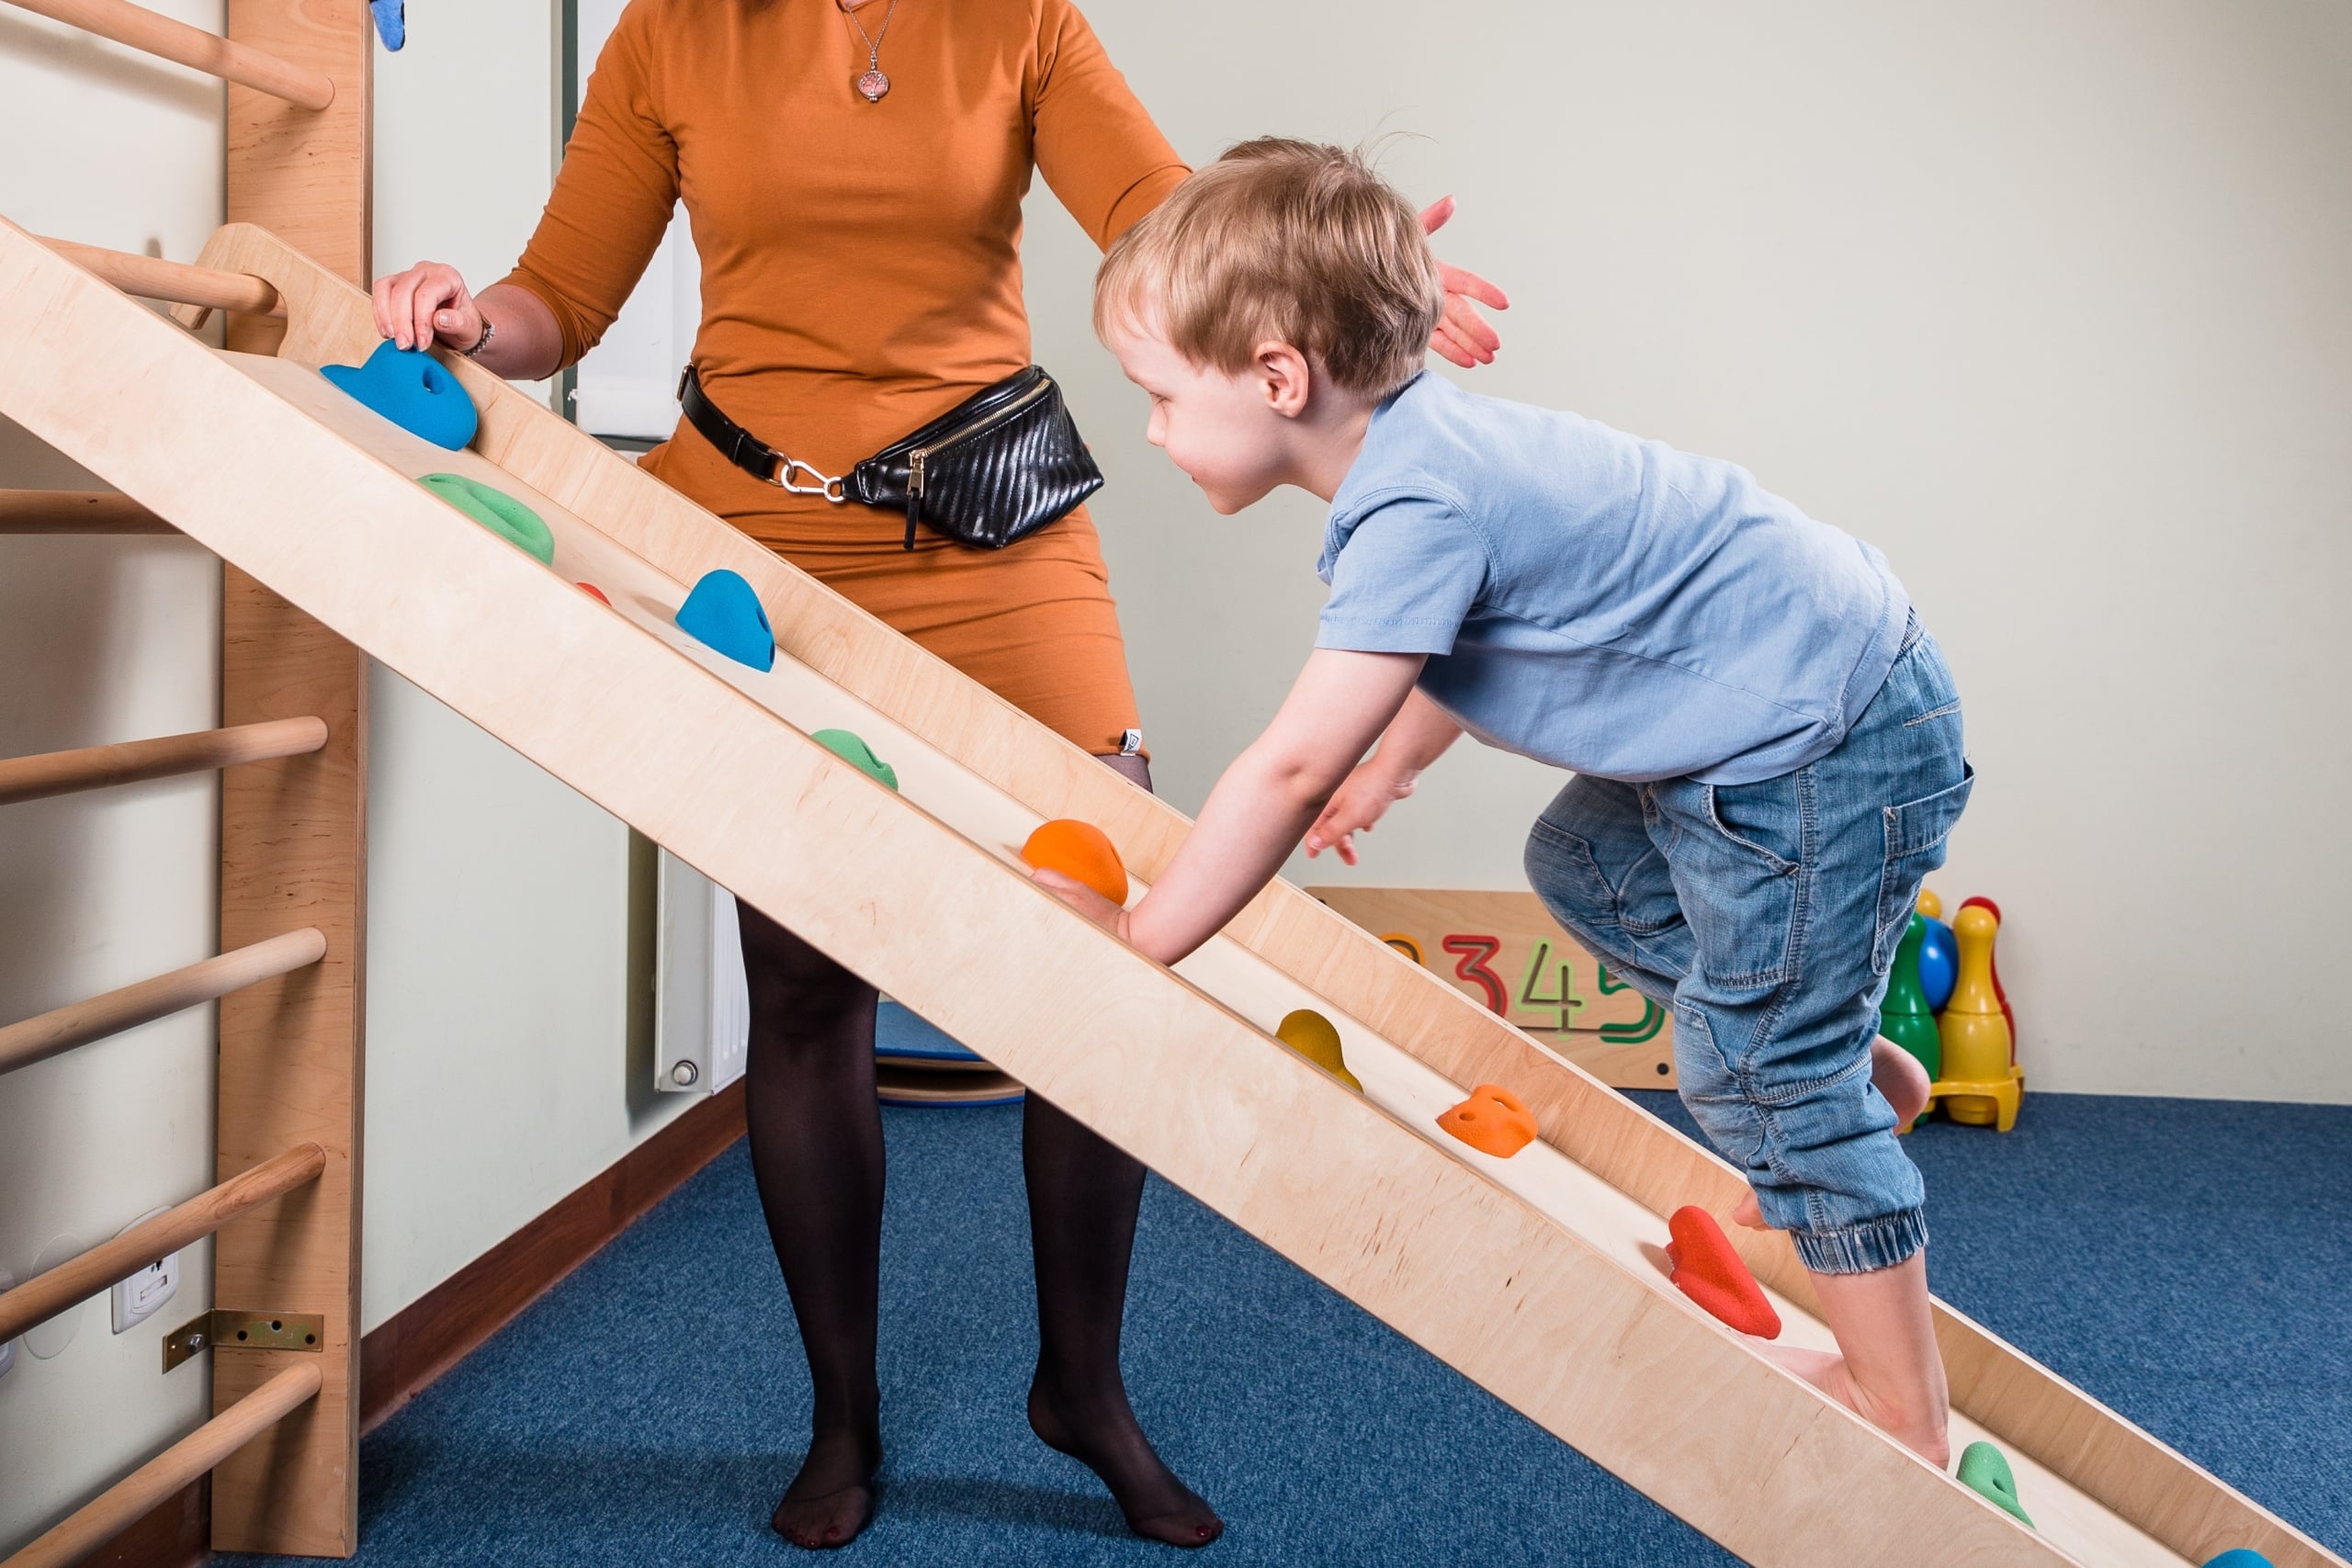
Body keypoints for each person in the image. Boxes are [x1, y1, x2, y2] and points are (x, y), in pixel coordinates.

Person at [363, 2, 1506, 1551]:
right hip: (744, 535)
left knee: (1108, 963)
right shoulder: (670, 33)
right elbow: (558, 298)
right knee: (807, 981)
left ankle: (1082, 1391)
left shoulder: (1021, 21)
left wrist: (1353, 296)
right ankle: (843, 1418)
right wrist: (459, 320)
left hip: (999, 527)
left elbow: (1164, 220)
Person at [1041, 137, 1968, 1468]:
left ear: (1278, 379)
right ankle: (1845, 1072)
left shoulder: (1415, 501)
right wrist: (1398, 763)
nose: (1153, 430)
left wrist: (1142, 942)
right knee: (1587, 866)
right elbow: (1479, 648)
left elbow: (1289, 760)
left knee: (1752, 1066)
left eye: (1162, 395)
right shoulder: (1429, 451)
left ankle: (1904, 1414)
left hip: (1823, 732)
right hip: (1786, 710)